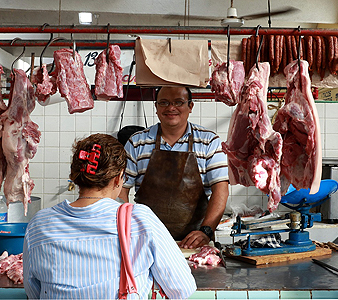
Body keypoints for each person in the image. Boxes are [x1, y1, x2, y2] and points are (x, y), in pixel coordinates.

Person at [23, 134, 196, 299]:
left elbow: (34, 292)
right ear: (118, 179)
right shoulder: (139, 219)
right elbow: (181, 288)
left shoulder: (40, 223)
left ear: (74, 176)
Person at [119, 86, 229, 249]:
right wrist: (126, 228)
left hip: (194, 241)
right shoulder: (137, 142)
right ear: (156, 107)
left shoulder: (208, 141)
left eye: (178, 102)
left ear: (190, 106)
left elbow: (221, 189)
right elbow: (121, 189)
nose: (171, 108)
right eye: (164, 103)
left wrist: (206, 231)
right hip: (146, 237)